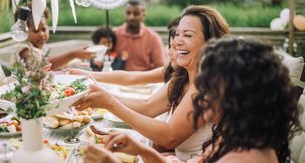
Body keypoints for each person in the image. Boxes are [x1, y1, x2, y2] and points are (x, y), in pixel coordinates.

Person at [83, 36, 301, 163]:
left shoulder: (243, 158)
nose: (200, 92)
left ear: (239, 94)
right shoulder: (233, 135)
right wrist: (143, 151)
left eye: (210, 84)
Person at [73, 5, 230, 161]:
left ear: (211, 43)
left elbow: (169, 136)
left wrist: (109, 103)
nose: (177, 42)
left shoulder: (209, 84)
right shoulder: (182, 76)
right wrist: (98, 92)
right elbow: (147, 106)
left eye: (187, 35)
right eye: (177, 34)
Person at [69, 16, 180, 85]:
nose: (169, 52)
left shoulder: (190, 84)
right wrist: (85, 73)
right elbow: (129, 77)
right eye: (170, 46)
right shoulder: (170, 72)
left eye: (176, 47)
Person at [12, 3, 94, 70]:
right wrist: (73, 54)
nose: (41, 34)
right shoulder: (25, 50)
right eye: (36, 31)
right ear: (23, 31)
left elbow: (50, 65)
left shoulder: (39, 48)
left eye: (44, 29)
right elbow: (41, 66)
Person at [114, 0, 166, 71]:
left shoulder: (153, 38)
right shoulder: (115, 34)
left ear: (143, 16)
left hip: (144, 80)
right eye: (128, 13)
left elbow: (160, 68)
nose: (131, 17)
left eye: (136, 14)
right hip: (117, 79)